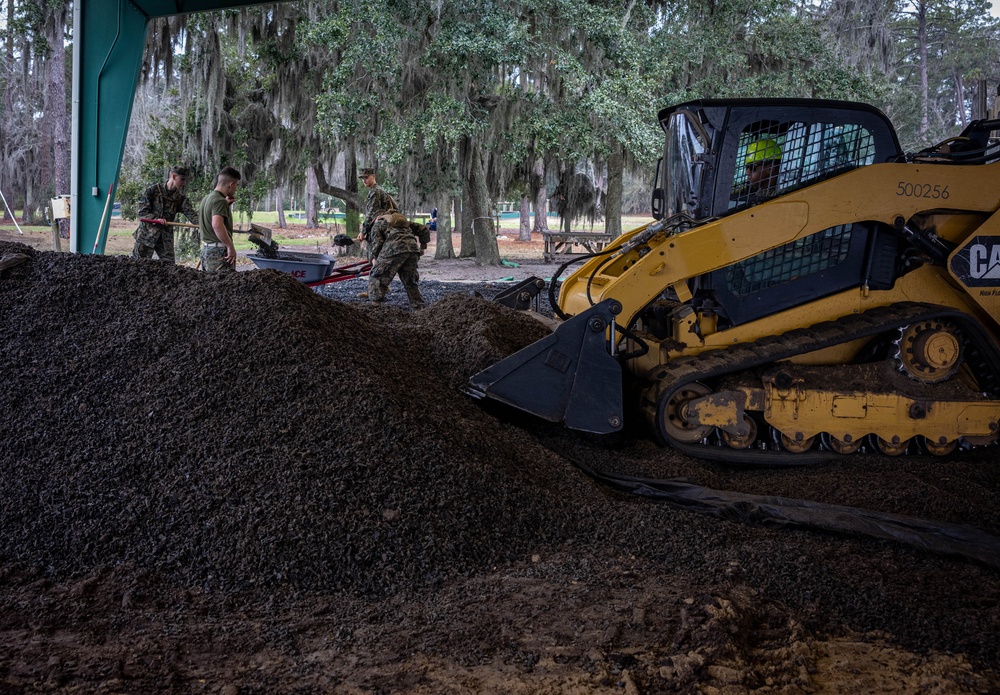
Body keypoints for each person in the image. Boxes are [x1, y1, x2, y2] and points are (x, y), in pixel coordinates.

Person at [132, 165, 199, 262]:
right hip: (146, 236)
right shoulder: (152, 190)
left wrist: (203, 224)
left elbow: (191, 215)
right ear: (173, 176)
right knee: (138, 265)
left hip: (165, 239)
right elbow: (142, 212)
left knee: (170, 267)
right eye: (182, 179)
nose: (184, 183)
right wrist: (155, 219)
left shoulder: (180, 198)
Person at [367, 209, 425, 310]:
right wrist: (423, 247)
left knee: (376, 275)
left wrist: (374, 258)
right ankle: (418, 307)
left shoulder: (378, 224)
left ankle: (375, 306)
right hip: (413, 249)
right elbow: (424, 229)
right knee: (410, 280)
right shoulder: (403, 222)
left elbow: (377, 243)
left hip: (394, 248)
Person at [356, 167, 396, 297]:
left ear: (373, 176)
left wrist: (363, 231)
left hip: (377, 229)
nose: (364, 180)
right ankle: (382, 287)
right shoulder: (377, 191)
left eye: (366, 178)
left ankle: (375, 291)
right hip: (380, 228)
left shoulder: (375, 192)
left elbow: (371, 214)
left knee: (374, 259)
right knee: (376, 258)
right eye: (362, 178)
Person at [198, 167, 241, 273]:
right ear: (231, 184)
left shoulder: (207, 198)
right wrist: (230, 246)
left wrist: (226, 205)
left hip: (207, 251)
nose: (236, 189)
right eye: (236, 185)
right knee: (223, 287)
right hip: (218, 253)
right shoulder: (219, 201)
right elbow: (217, 224)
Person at [733, 138, 783, 206]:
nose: (747, 172)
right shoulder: (756, 189)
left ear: (770, 168)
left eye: (752, 167)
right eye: (747, 167)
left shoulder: (778, 197)